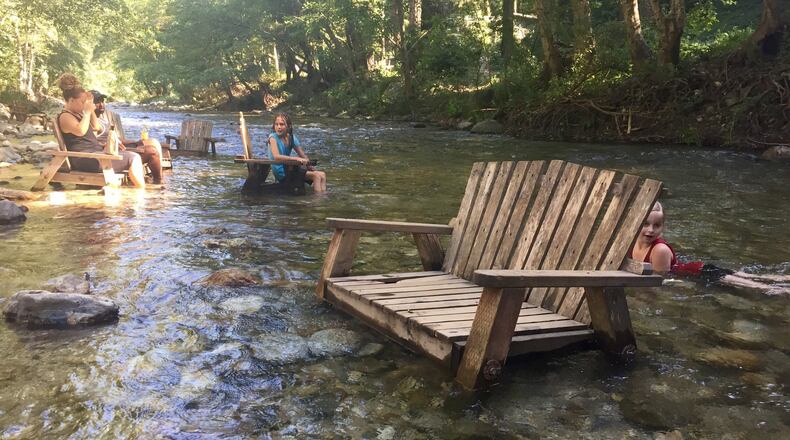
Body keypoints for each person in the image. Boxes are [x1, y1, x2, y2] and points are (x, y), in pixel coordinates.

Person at [631, 202, 789, 295]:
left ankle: (784, 291)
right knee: (750, 277)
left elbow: (660, 280)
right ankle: (784, 279)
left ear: (663, 227)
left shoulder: (659, 250)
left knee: (756, 285)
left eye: (656, 225)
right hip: (697, 269)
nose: (650, 230)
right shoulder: (631, 242)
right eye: (645, 224)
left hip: (701, 273)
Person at [55, 73, 146, 189]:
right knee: (134, 157)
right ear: (71, 100)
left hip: (95, 156)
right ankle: (141, 193)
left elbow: (96, 127)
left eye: (85, 102)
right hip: (84, 160)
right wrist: (87, 112)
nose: (84, 105)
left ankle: (138, 191)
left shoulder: (78, 114)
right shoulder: (65, 117)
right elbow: (80, 131)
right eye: (82, 102)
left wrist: (90, 105)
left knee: (133, 155)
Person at [90, 90, 163, 184]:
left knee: (153, 143)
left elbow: (117, 139)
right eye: (97, 102)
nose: (101, 105)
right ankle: (158, 183)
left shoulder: (102, 119)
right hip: (109, 154)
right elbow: (92, 142)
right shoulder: (92, 122)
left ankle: (159, 180)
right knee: (152, 152)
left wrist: (136, 142)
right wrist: (105, 145)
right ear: (89, 105)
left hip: (119, 148)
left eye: (102, 101)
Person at [267, 113, 327, 192]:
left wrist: (310, 166)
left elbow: (302, 155)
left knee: (322, 174)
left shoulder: (291, 138)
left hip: (289, 169)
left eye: (282, 124)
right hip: (281, 172)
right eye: (276, 124)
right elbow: (276, 157)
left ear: (289, 126)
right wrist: (296, 158)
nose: (279, 127)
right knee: (316, 176)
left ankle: (323, 196)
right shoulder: (273, 138)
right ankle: (317, 201)